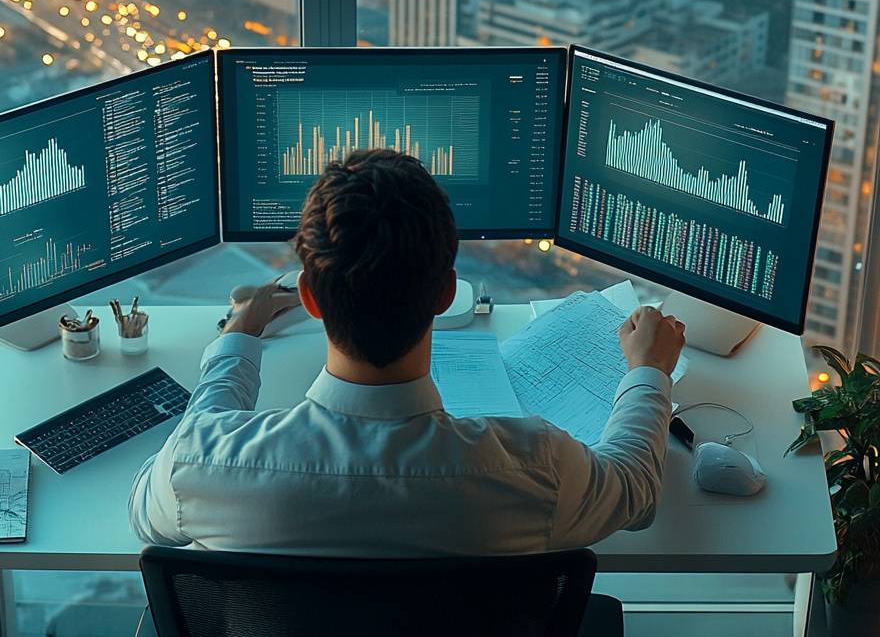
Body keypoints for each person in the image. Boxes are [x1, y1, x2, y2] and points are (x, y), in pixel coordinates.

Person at [129, 149, 684, 554]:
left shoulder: (202, 462)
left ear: (309, 298)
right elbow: (634, 489)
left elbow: (146, 518)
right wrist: (648, 369)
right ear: (446, 294)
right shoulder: (535, 467)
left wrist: (238, 335)